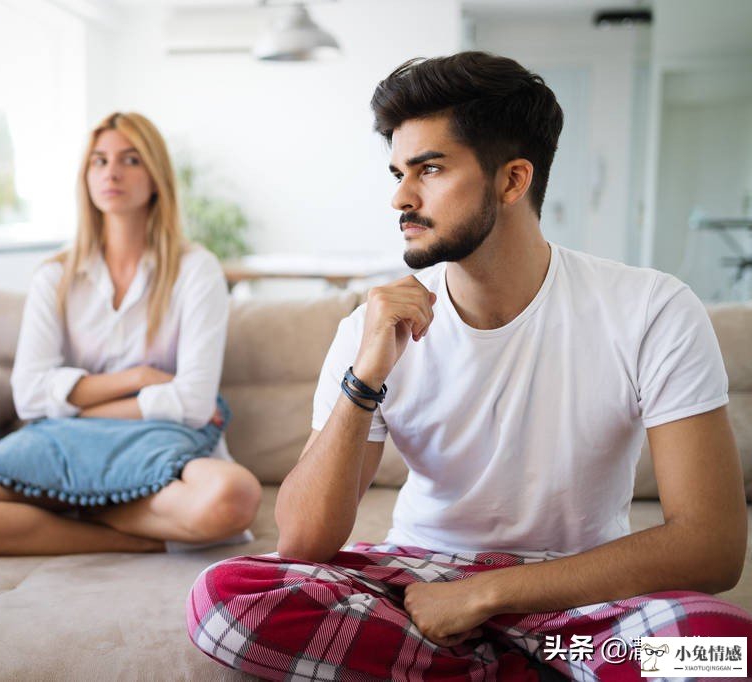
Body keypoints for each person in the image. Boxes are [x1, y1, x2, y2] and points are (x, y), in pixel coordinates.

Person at [187, 52, 752, 680]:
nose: (401, 196)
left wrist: (484, 596)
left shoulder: (650, 308)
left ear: (512, 181)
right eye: (399, 172)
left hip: (580, 595)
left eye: (429, 169)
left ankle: (480, 660)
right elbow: (302, 543)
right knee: (226, 597)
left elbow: (712, 545)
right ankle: (531, 665)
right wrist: (365, 374)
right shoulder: (369, 327)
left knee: (722, 651)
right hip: (417, 582)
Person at [0, 112, 261, 556]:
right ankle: (123, 536)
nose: (111, 171)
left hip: (154, 443)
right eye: (99, 161)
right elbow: (29, 399)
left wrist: (77, 405)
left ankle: (80, 506)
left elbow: (192, 404)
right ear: (86, 178)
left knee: (234, 497)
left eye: (130, 159)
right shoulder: (54, 276)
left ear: (156, 179)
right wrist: (140, 378)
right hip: (61, 446)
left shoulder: (196, 269)